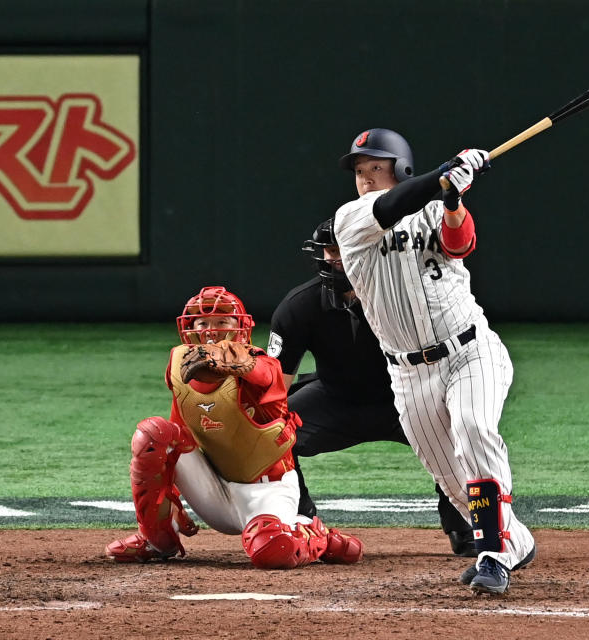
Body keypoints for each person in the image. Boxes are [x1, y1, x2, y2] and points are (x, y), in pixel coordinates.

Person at [332, 128, 535, 594]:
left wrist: (453, 198)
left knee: (473, 429)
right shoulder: (351, 219)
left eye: (375, 168)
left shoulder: (432, 205)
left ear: (399, 168)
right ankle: (513, 540)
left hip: (470, 350)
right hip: (407, 373)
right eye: (360, 171)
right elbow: (391, 206)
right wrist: (446, 174)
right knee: (451, 478)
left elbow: (460, 244)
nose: (365, 178)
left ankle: (493, 554)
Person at [105, 285, 363, 569]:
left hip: (268, 491)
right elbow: (178, 437)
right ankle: (157, 540)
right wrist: (171, 500)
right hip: (214, 487)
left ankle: (317, 535)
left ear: (239, 328)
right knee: (154, 434)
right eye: (202, 323)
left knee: (271, 551)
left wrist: (243, 364)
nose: (210, 331)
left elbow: (265, 374)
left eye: (221, 322)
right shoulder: (180, 365)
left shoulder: (264, 365)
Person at [267, 218, 476, 557]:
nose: (339, 259)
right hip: (336, 398)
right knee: (272, 432)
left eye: (347, 249)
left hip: (406, 397)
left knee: (460, 428)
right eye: (332, 250)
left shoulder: (408, 296)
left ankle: (465, 526)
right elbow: (274, 387)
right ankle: (301, 524)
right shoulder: (299, 306)